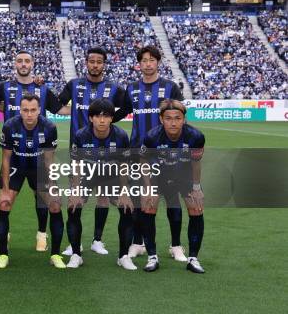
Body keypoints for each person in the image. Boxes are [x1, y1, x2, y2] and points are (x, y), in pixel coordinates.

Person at [0, 50, 69, 252]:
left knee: (43, 199)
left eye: (27, 61)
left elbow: (59, 109)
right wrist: (7, 109)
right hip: (15, 156)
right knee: (6, 200)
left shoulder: (42, 88)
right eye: (19, 61)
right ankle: (3, 237)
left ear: (32, 64)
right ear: (15, 64)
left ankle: (42, 234)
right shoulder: (5, 88)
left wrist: (83, 107)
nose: (23, 64)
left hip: (39, 158)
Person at [114, 46, 185, 261]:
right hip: (138, 151)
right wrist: (104, 117)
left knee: (172, 199)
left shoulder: (170, 87)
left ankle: (176, 246)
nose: (147, 63)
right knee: (138, 199)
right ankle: (138, 242)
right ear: (139, 64)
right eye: (143, 60)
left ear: (158, 63)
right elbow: (122, 111)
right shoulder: (132, 88)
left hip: (166, 153)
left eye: (151, 60)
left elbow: (181, 117)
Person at [59, 46, 126, 256]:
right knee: (75, 194)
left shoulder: (114, 88)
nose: (95, 65)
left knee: (104, 197)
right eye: (92, 61)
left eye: (99, 61)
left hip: (106, 151)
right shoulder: (74, 85)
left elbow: (125, 108)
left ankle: (98, 239)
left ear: (104, 64)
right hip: (80, 149)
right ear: (86, 63)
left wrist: (109, 122)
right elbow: (57, 106)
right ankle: (74, 243)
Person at [0, 93, 64, 269]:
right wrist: (4, 188)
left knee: (54, 204)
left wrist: (52, 185)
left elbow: (49, 160)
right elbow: (5, 159)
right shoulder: (10, 126)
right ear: (20, 110)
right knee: (4, 203)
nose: (29, 114)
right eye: (25, 110)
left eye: (33, 110)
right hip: (16, 166)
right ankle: (3, 254)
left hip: (39, 167)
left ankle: (55, 253)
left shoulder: (49, 127)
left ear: (39, 110)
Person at [68, 99, 136, 270]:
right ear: (91, 118)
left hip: (111, 176)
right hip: (88, 174)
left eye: (106, 116)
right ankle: (76, 254)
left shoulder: (120, 136)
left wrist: (124, 192)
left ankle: (123, 256)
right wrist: (75, 191)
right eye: (97, 116)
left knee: (127, 208)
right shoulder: (81, 135)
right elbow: (75, 164)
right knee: (73, 207)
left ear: (112, 118)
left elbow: (124, 166)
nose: (102, 120)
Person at [139, 99, 206, 273]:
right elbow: (144, 160)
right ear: (161, 119)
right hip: (158, 175)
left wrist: (197, 188)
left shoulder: (196, 136)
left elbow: (196, 163)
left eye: (177, 118)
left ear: (184, 119)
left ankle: (193, 259)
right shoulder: (152, 136)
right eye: (168, 118)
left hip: (184, 176)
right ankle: (152, 257)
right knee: (149, 205)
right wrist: (147, 188)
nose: (173, 122)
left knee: (196, 207)